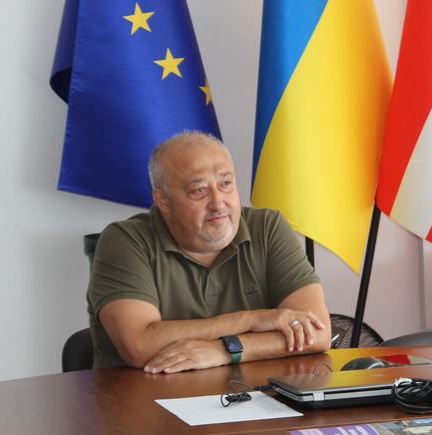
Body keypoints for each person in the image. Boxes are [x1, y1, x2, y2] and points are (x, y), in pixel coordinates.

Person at [87, 131, 331, 373]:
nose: (218, 203)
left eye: (225, 184)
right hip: (146, 394)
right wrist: (252, 320)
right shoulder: (125, 241)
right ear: (163, 200)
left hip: (254, 392)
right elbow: (139, 345)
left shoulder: (267, 227)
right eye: (199, 190)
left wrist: (227, 350)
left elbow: (317, 334)